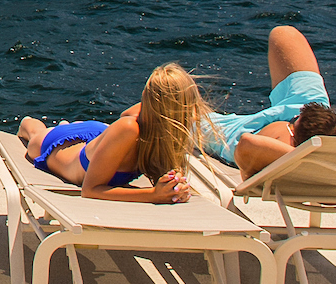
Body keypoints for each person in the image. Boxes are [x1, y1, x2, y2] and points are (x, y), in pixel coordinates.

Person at [203, 25, 336, 175]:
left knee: (177, 107)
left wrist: (306, 154)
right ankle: (307, 118)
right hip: (315, 121)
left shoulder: (279, 150)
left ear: (293, 138)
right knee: (284, 34)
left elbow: (249, 143)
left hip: (241, 130)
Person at [14, 63, 208, 202]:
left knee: (83, 131)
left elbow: (129, 113)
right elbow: (90, 191)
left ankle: (68, 125)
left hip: (103, 137)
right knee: (34, 138)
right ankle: (32, 122)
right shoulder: (129, 128)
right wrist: (152, 195)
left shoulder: (164, 132)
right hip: (62, 145)